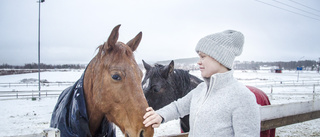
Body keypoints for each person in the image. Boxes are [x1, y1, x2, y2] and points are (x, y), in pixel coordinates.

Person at [143, 30, 260, 136]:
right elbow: (178, 107)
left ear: (220, 58)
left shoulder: (242, 97)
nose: (198, 62)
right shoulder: (200, 90)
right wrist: (160, 116)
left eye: (203, 57)